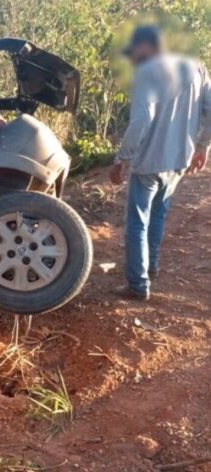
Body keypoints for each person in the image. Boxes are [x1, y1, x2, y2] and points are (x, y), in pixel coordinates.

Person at [110, 25, 211, 301]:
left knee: (137, 222)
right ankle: (150, 267)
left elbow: (141, 120)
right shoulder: (197, 68)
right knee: (158, 214)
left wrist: (121, 159)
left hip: (149, 162)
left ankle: (137, 284)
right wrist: (203, 146)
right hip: (179, 159)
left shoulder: (148, 73)